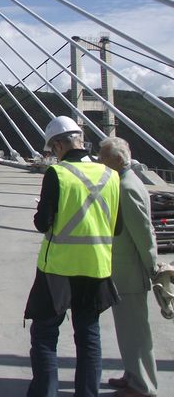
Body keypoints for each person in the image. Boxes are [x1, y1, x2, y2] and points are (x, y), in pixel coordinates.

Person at [25, 116, 120, 397]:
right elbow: (118, 226)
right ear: (80, 139)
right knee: (89, 337)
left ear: (56, 146)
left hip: (58, 270)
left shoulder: (58, 174)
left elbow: (43, 223)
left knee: (44, 336)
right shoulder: (111, 175)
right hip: (97, 268)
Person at [99, 137, 158, 397]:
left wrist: (152, 267)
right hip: (123, 271)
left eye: (103, 156)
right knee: (127, 330)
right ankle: (132, 374)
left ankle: (143, 386)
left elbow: (143, 233)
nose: (99, 161)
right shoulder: (124, 183)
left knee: (136, 331)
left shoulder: (126, 188)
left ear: (118, 160)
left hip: (130, 272)